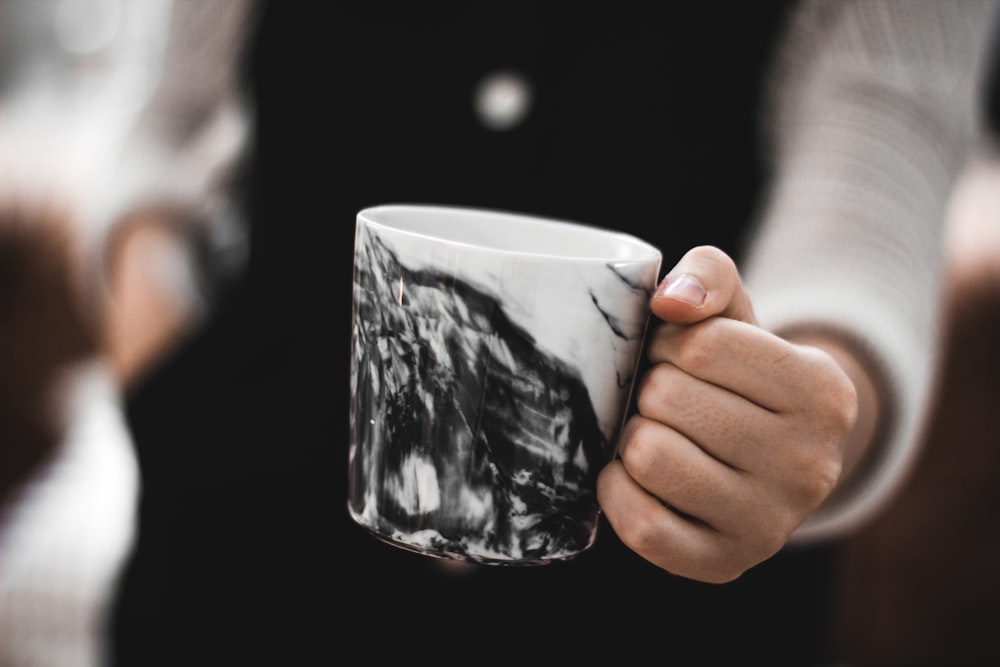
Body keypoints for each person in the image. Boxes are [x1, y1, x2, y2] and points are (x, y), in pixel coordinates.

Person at [0, 0, 997, 664]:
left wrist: (788, 411)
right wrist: (161, 355)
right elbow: (170, 122)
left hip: (652, 616)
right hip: (232, 573)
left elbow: (877, 168)